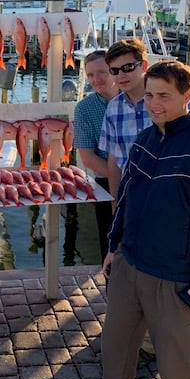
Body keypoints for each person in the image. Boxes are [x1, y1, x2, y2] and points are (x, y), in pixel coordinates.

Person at [80, 60, 190, 379]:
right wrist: (113, 245)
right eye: (149, 95)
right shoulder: (146, 139)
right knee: (116, 343)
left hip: (175, 274)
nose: (153, 103)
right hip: (128, 264)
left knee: (178, 361)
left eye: (164, 96)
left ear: (187, 96)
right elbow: (128, 200)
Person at [98, 38, 190, 207]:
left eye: (128, 67)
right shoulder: (113, 109)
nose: (121, 75)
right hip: (133, 200)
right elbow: (114, 162)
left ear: (144, 65)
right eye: (115, 70)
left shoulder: (185, 102)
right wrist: (116, 207)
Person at [73, 50, 119, 262]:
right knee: (110, 246)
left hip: (146, 182)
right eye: (90, 75)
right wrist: (120, 179)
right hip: (107, 183)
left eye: (101, 72)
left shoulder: (141, 99)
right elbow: (88, 158)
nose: (96, 80)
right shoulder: (84, 108)